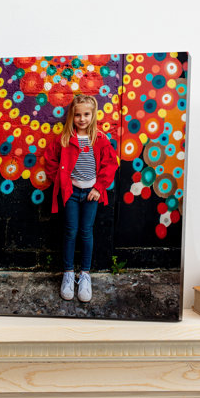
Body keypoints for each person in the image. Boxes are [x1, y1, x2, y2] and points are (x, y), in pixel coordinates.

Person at [44, 95, 118, 302]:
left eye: (86, 114)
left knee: (86, 232)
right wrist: (61, 182)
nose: (82, 119)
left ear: (93, 115)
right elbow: (50, 159)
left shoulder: (100, 139)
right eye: (77, 115)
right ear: (71, 116)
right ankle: (68, 273)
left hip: (91, 194)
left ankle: (84, 274)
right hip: (71, 194)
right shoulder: (65, 138)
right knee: (70, 231)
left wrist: (99, 187)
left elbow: (110, 164)